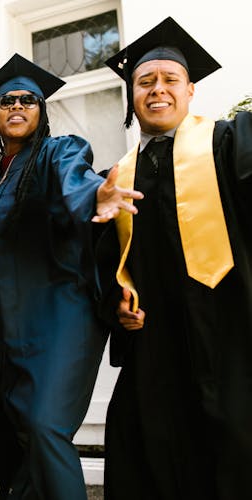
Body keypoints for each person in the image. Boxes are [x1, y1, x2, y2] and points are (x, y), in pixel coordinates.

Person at [0, 54, 141, 500]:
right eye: (7, 101)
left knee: (45, 425)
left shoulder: (57, 152)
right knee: (5, 423)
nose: (17, 106)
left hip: (65, 311)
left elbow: (75, 182)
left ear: (42, 111)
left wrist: (96, 194)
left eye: (28, 100)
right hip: (11, 320)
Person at [95, 16, 252, 500]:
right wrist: (117, 306)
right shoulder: (116, 177)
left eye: (170, 80)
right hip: (154, 346)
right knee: (143, 452)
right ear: (132, 96)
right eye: (145, 82)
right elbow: (106, 263)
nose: (157, 90)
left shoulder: (228, 143)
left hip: (227, 332)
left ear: (190, 92)